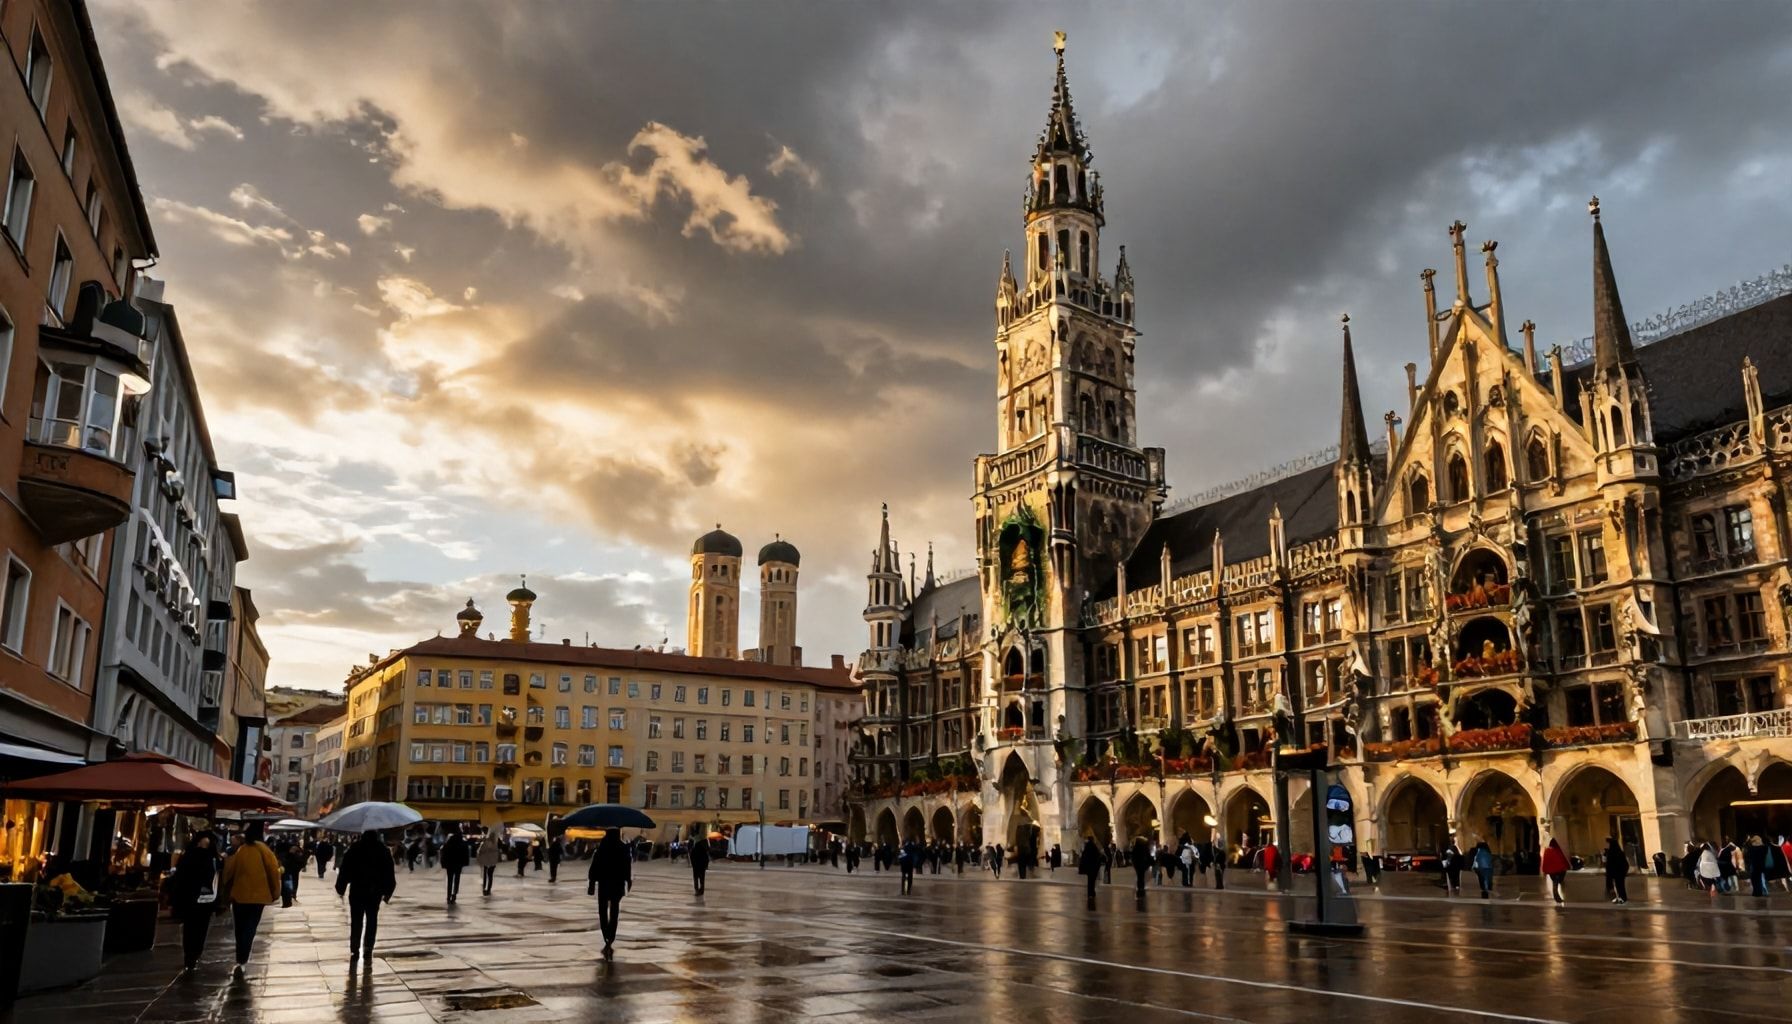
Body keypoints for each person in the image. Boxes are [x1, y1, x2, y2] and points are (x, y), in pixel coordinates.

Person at [220, 822, 282, 969]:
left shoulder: (241, 850)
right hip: (259, 896)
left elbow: (229, 872)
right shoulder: (264, 850)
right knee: (250, 926)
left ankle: (240, 955)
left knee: (239, 927)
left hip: (239, 896)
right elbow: (273, 872)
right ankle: (243, 956)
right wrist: (275, 892)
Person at [335, 830, 396, 965]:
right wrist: (388, 892)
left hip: (357, 890)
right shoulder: (383, 850)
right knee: (372, 920)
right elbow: (389, 872)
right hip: (374, 891)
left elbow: (345, 869)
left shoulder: (355, 849)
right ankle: (368, 947)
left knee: (356, 920)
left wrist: (341, 887)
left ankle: (354, 947)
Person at [168, 832, 222, 971]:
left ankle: (190, 956)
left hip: (191, 899)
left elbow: (180, 879)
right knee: (200, 928)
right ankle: (194, 954)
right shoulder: (213, 858)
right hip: (205, 900)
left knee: (190, 928)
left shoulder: (189, 856)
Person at [587, 830, 633, 960]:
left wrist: (592, 882)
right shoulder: (623, 849)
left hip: (604, 883)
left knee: (602, 910)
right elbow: (627, 866)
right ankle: (611, 935)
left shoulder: (602, 848)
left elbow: (594, 866)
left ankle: (606, 934)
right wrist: (628, 880)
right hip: (617, 883)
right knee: (614, 910)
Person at [440, 830, 469, 903]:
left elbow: (443, 855)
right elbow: (466, 855)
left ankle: (448, 895)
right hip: (458, 864)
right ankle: (454, 894)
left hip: (449, 864)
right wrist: (465, 863)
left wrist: (443, 864)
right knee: (457, 879)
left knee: (450, 880)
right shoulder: (463, 844)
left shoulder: (448, 843)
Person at [1541, 838, 1570, 905]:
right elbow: (1562, 860)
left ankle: (1557, 897)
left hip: (1552, 871)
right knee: (1559, 882)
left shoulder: (1547, 851)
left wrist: (1545, 870)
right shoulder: (1559, 850)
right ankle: (1561, 896)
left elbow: (1545, 861)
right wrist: (1566, 867)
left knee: (1555, 883)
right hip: (1559, 870)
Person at [280, 840, 308, 908]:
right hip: (290, 872)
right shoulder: (295, 852)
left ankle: (290, 898)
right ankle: (290, 898)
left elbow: (301, 862)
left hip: (290, 871)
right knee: (290, 885)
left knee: (289, 885)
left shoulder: (295, 853)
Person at [1603, 836, 1630, 904]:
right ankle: (1621, 897)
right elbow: (1625, 864)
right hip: (1620, 872)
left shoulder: (1611, 853)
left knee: (1618, 885)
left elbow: (1609, 864)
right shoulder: (1620, 852)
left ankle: (1621, 897)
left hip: (1616, 872)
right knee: (1620, 885)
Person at [1079, 836, 1102, 903]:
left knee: (1089, 881)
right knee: (1092, 880)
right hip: (1093, 867)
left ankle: (1090, 893)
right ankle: (1092, 892)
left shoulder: (1087, 847)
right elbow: (1097, 856)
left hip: (1088, 867)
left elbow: (1083, 857)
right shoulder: (1094, 847)